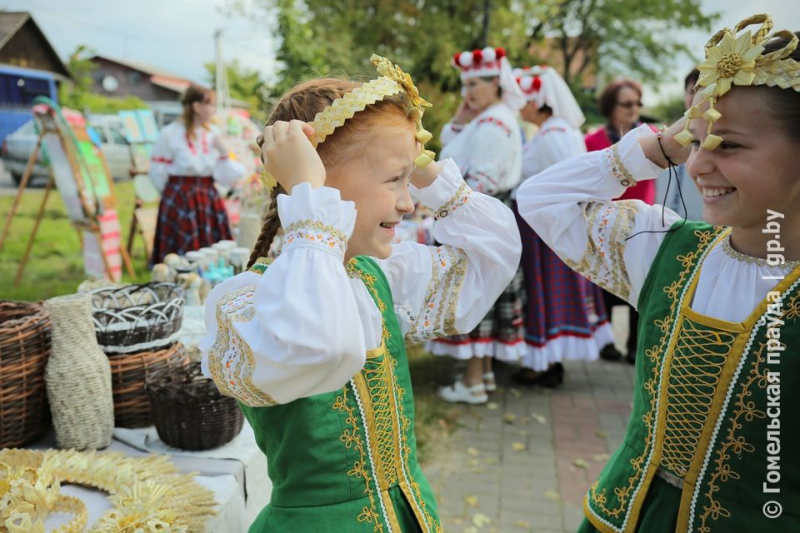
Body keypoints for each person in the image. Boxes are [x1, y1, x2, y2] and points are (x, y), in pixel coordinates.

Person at [199, 55, 521, 532]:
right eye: (395, 180)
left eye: (409, 181)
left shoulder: (378, 276)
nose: (410, 202)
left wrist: (424, 169)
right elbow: (324, 346)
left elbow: (493, 256)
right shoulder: (243, 303)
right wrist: (307, 193)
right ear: (318, 178)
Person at [517, 15, 800, 532]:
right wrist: (661, 147)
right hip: (621, 518)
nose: (696, 166)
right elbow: (541, 197)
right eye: (694, 143)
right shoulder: (668, 249)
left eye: (728, 144)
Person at [427, 46, 527, 404]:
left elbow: (479, 178)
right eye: (465, 85)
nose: (468, 92)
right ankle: (480, 375)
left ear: (497, 84)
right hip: (484, 213)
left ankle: (472, 382)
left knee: (472, 294)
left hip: (477, 214)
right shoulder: (492, 118)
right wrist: (460, 113)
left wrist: (445, 211)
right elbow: (449, 144)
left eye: (476, 84)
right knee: (482, 292)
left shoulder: (494, 123)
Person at [510, 66, 614, 387]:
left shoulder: (555, 134)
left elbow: (565, 181)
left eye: (523, 99)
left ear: (538, 101)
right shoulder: (554, 131)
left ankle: (546, 363)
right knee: (544, 291)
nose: (519, 105)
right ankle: (544, 360)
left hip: (546, 228)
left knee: (544, 291)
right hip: (545, 225)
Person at [585, 78, 655, 364]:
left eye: (637, 103)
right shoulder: (592, 141)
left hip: (640, 223)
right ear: (611, 107)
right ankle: (606, 341)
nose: (633, 109)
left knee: (639, 285)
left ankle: (635, 346)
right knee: (603, 285)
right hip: (603, 222)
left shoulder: (648, 139)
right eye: (626, 104)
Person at [149, 84, 244, 264]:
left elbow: (226, 175)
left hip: (207, 194)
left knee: (212, 249)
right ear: (197, 106)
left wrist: (224, 151)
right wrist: (173, 196)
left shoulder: (213, 134)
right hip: (180, 195)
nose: (214, 109)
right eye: (210, 104)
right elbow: (157, 172)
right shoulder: (170, 134)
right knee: (181, 252)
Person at [659, 67, 705, 221]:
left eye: (703, 90)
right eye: (692, 91)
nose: (697, 97)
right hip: (671, 223)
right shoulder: (668, 136)